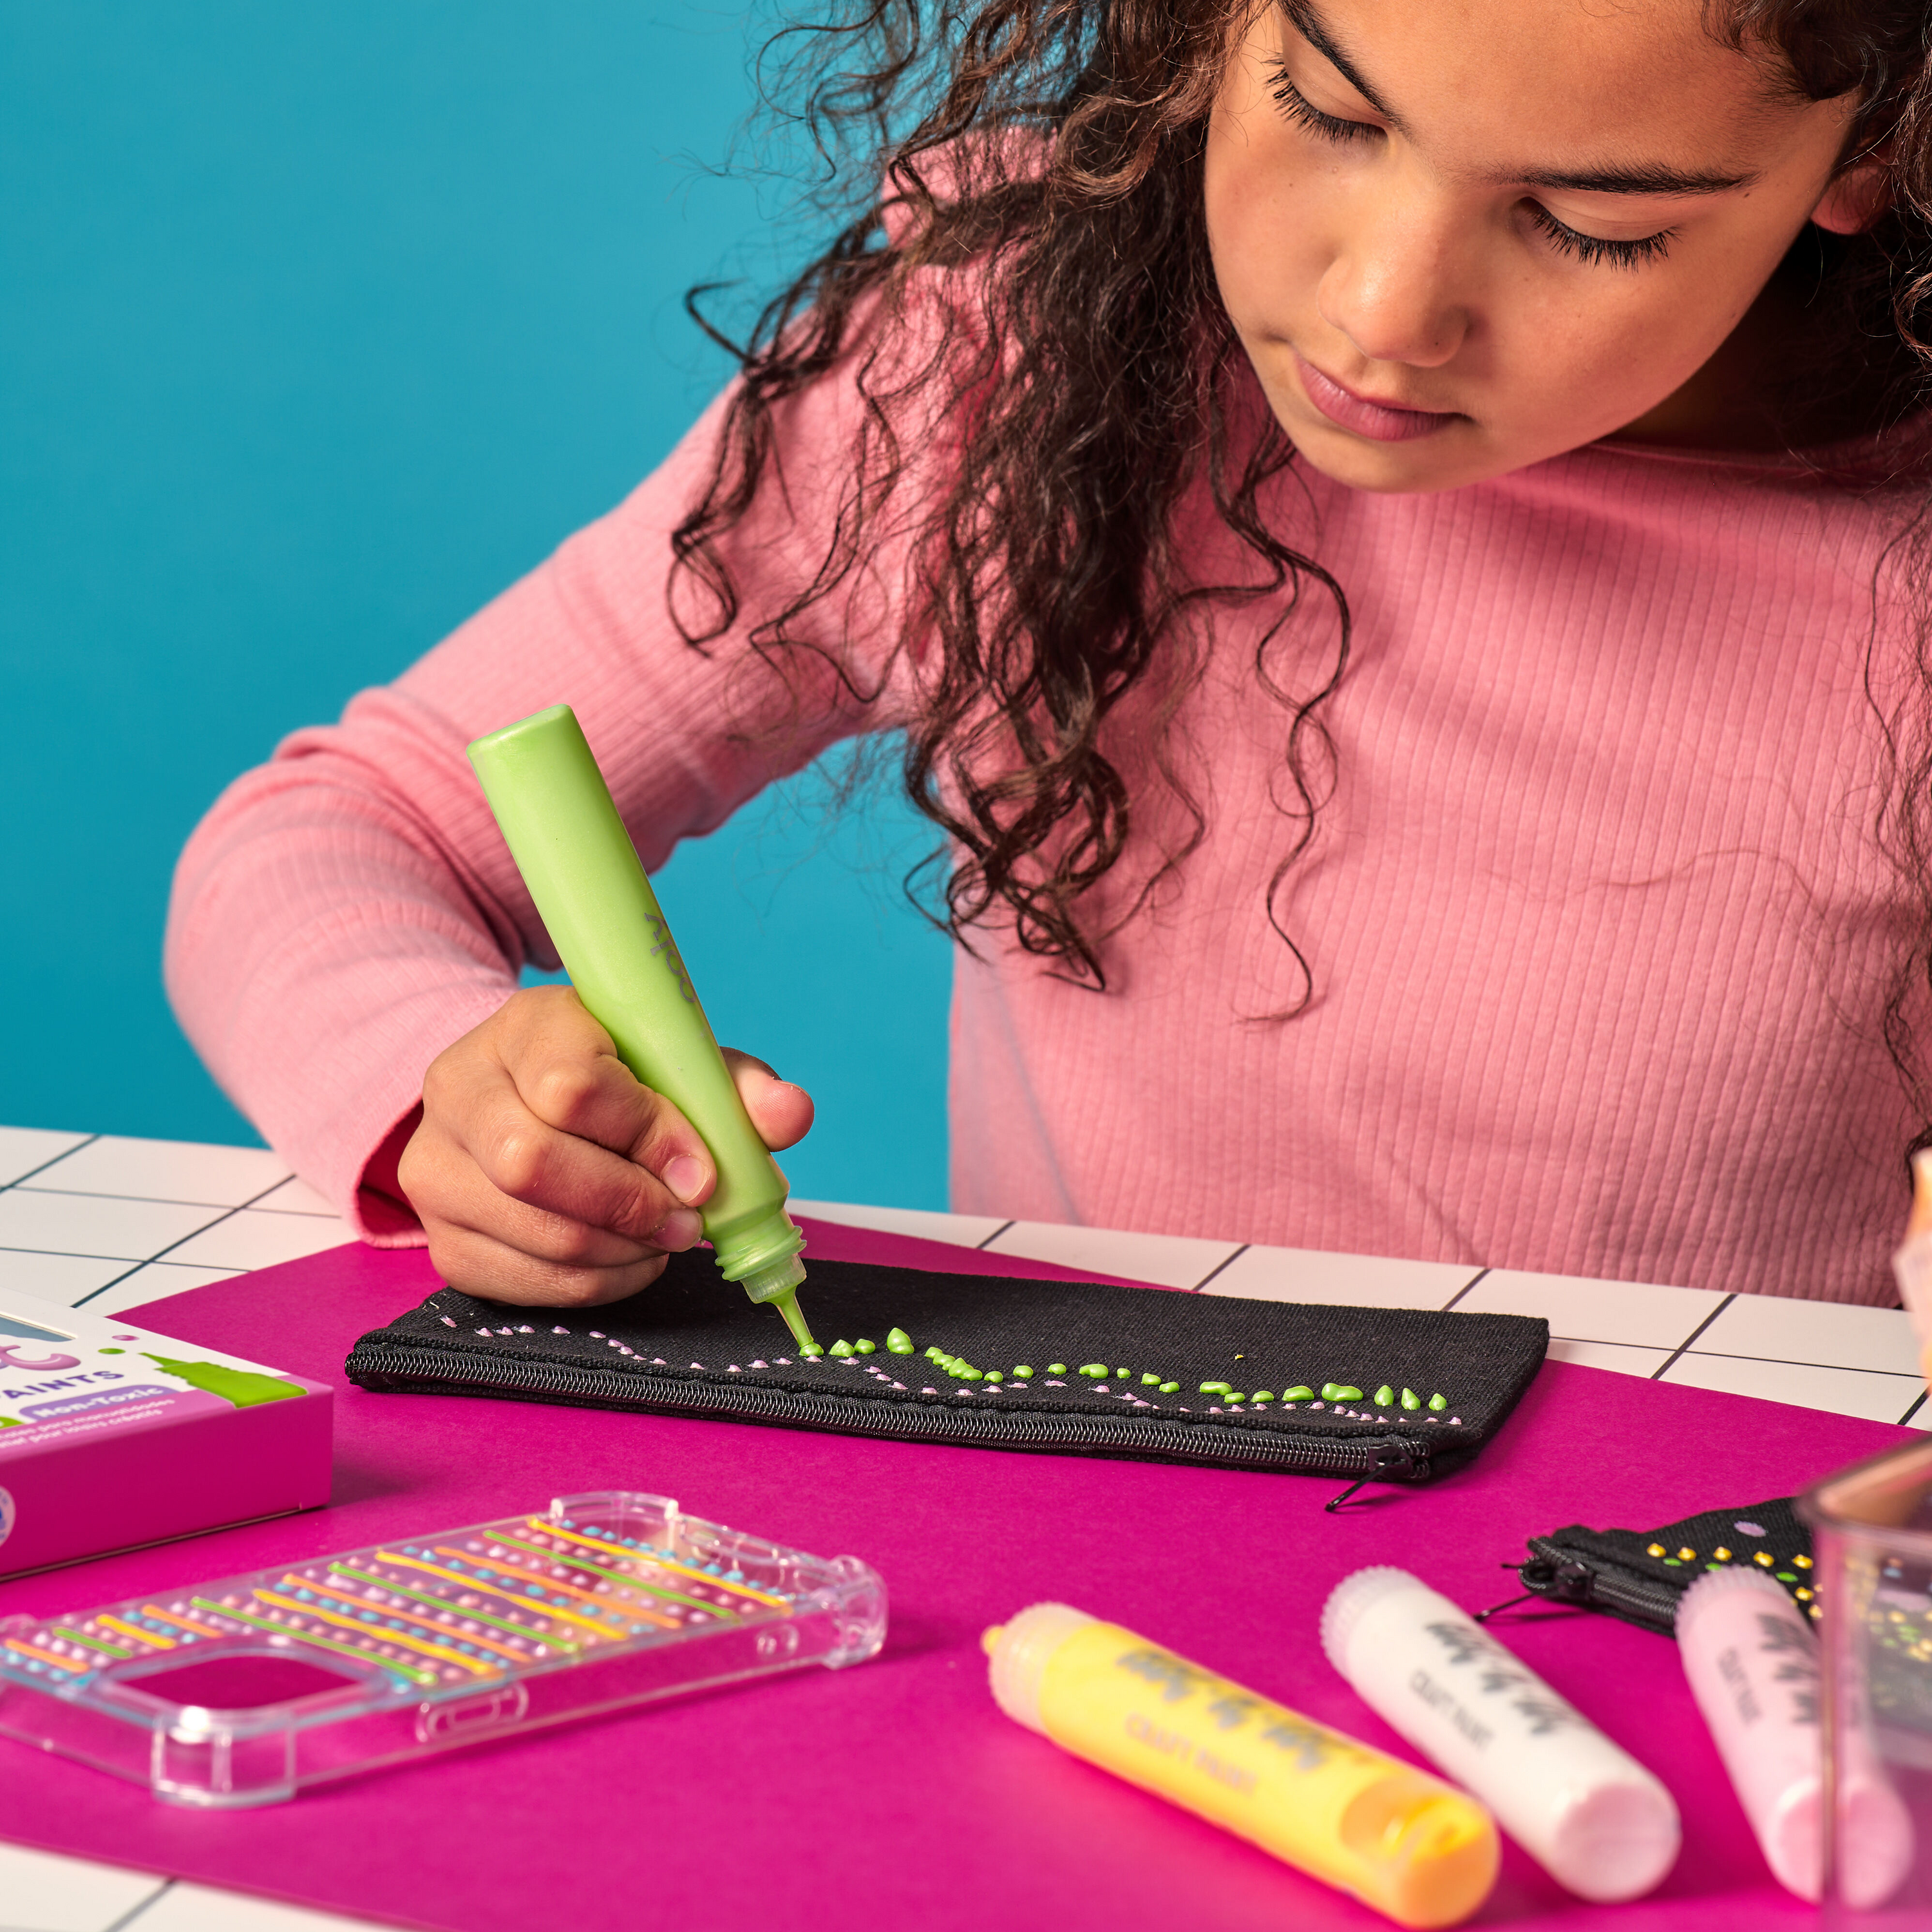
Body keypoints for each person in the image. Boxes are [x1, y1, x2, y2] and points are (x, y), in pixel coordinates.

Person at [167, 0, 1932, 1310]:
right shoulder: (1006, 377)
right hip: (1082, 1614)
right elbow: (340, 827)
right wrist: (449, 1098)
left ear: (1868, 154)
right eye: (1328, 110)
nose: (1385, 312)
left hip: (1700, 1660)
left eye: (1590, 221)